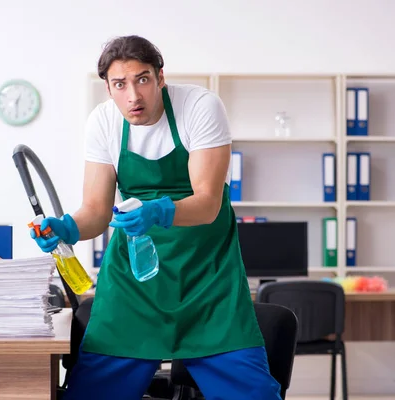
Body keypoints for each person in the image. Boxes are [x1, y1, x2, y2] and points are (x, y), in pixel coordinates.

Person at [31, 35, 283, 400]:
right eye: (120, 84)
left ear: (160, 77)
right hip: (134, 284)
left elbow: (209, 202)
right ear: (108, 88)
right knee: (92, 393)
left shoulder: (199, 107)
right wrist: (67, 227)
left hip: (207, 278)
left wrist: (159, 210)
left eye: (142, 79)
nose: (133, 95)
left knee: (253, 394)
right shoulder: (103, 122)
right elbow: (97, 212)